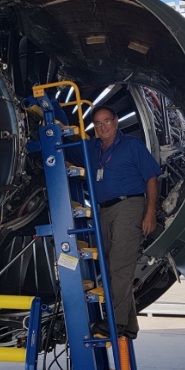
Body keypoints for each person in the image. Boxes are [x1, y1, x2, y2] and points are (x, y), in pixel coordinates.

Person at [68, 106, 161, 339]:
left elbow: (151, 178)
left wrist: (150, 212)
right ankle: (129, 325)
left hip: (129, 206)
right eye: (98, 123)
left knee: (120, 266)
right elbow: (68, 150)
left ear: (116, 121)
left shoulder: (132, 145)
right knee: (112, 269)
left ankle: (115, 323)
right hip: (103, 210)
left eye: (106, 121)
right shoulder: (92, 148)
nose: (103, 127)